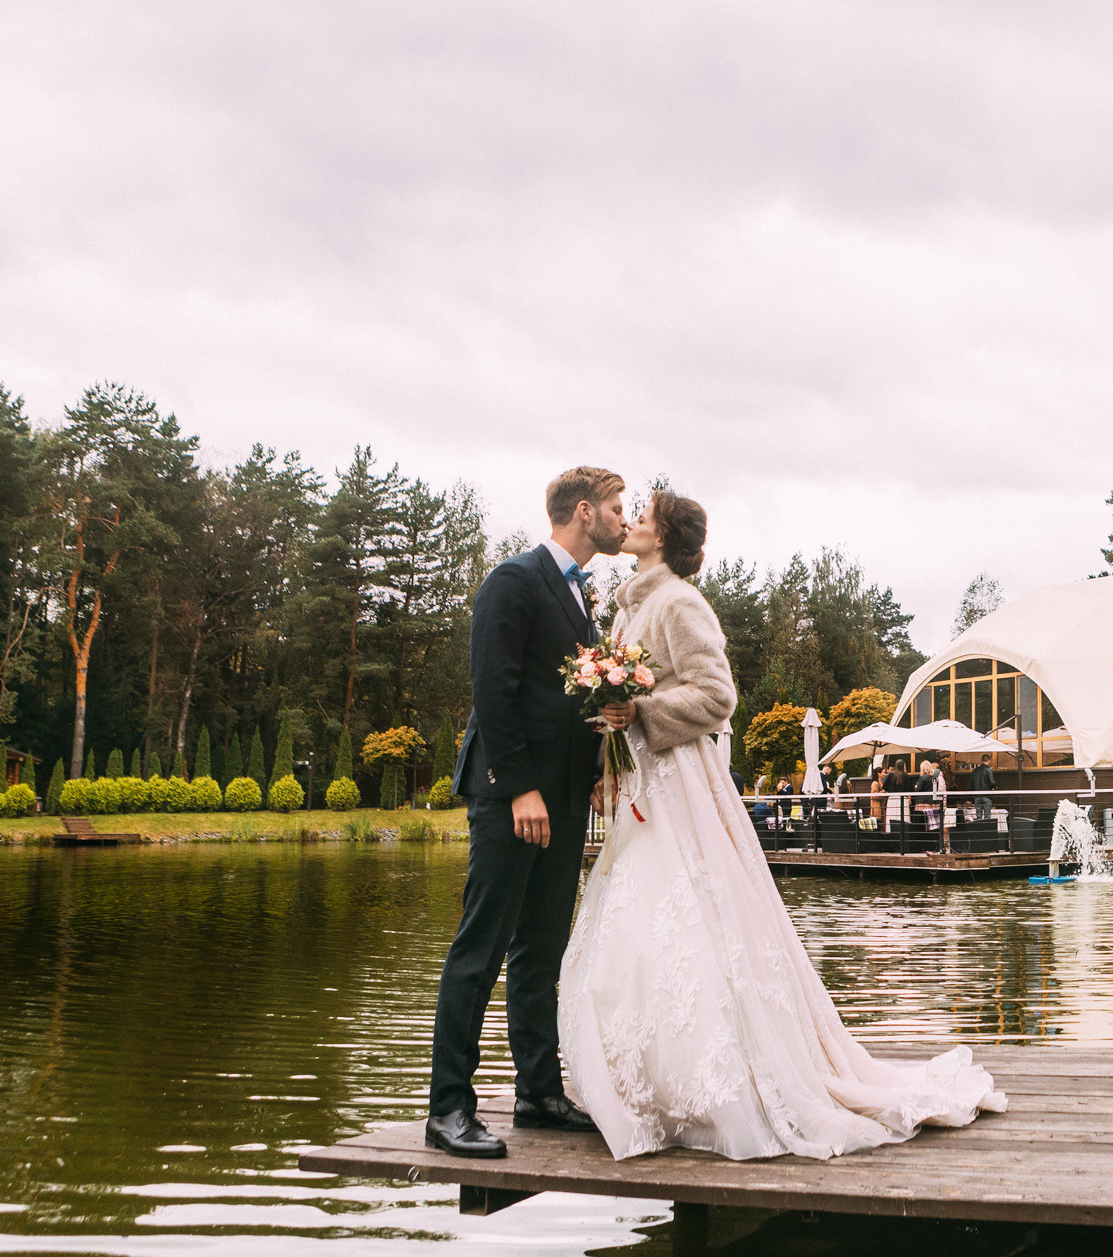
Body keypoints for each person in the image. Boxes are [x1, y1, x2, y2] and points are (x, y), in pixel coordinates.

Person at [559, 490, 1003, 1159]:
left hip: (682, 787)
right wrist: (609, 764)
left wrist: (643, 712)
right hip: (642, 786)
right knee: (638, 928)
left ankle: (722, 1084)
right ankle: (652, 1086)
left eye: (644, 515)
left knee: (691, 921)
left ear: (666, 537)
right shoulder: (629, 607)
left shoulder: (678, 602)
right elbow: (623, 708)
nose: (633, 520)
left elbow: (717, 697)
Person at [425, 466, 627, 1160]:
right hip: (512, 797)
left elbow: (566, 700)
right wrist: (518, 789)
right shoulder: (512, 581)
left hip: (564, 798)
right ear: (584, 512)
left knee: (542, 951)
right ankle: (448, 1109)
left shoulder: (580, 596)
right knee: (480, 949)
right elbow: (493, 690)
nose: (624, 519)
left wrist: (597, 770)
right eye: (617, 507)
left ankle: (538, 1094)